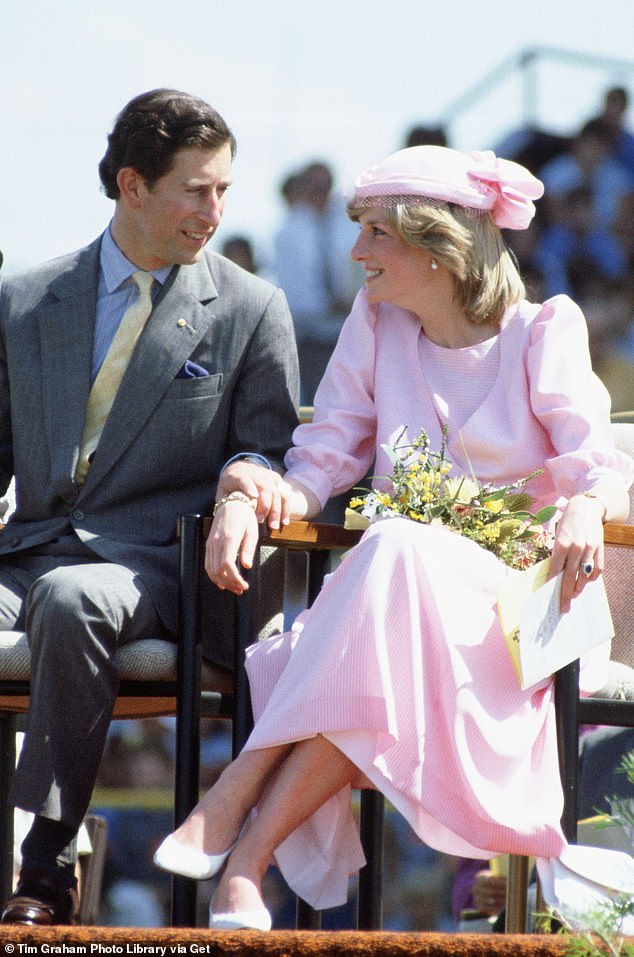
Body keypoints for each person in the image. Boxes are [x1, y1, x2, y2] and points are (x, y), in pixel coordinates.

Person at [154, 145, 633, 931]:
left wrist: (588, 504)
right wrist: (253, 491)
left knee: (393, 553)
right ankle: (243, 867)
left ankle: (233, 806)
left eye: (375, 232)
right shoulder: (374, 323)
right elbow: (322, 458)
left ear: (437, 246)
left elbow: (595, 461)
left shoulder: (546, 328)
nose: (356, 253)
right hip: (394, 612)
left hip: (520, 622)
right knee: (385, 606)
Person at [0, 88, 299, 925]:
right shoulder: (23, 302)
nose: (216, 209)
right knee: (57, 589)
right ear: (132, 185)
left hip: (157, 565)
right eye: (197, 189)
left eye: (224, 190)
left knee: (73, 598)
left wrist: (244, 487)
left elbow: (267, 449)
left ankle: (46, 866)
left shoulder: (250, 308)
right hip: (27, 550)